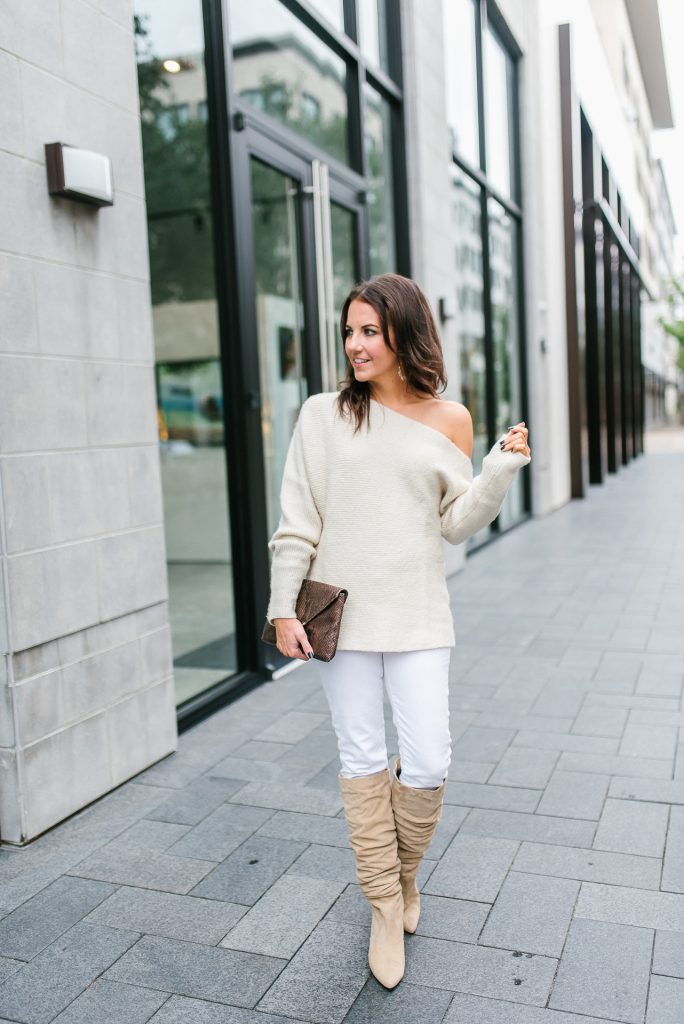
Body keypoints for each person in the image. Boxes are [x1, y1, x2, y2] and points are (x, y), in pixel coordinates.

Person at [264, 272, 531, 989]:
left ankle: (405, 875)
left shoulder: (450, 419)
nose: (354, 343)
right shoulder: (322, 416)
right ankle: (385, 904)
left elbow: (454, 525)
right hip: (338, 614)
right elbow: (298, 522)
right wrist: (282, 607)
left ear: (403, 334)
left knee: (430, 758)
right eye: (348, 331)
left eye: (369, 331)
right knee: (361, 758)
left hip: (415, 609)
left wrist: (500, 470)